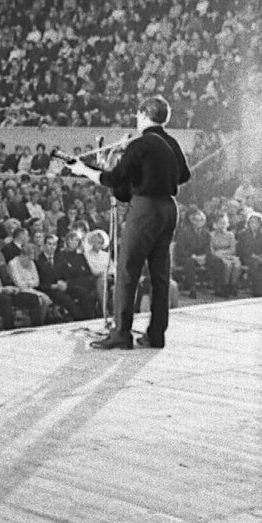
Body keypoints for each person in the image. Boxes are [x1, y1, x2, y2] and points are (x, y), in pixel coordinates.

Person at [66, 95, 191, 349]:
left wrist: (84, 170)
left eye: (137, 114)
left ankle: (121, 334)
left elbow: (113, 178)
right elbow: (184, 175)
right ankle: (156, 334)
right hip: (169, 207)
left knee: (127, 271)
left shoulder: (140, 144)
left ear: (143, 114)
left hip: (145, 209)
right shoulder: (171, 142)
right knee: (160, 274)